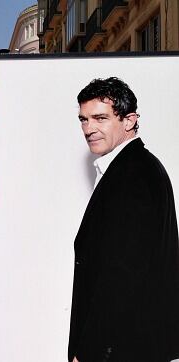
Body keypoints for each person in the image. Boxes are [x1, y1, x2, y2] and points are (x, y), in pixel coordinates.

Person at [68, 77, 179, 362]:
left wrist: (89, 348)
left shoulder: (134, 175)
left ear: (129, 121)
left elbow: (123, 273)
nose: (88, 129)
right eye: (84, 119)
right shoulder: (131, 168)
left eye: (100, 118)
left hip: (120, 347)